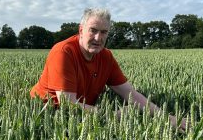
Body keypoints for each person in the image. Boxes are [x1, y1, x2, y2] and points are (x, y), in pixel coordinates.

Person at [30, 8, 187, 130]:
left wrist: (166, 117)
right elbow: (67, 104)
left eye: (104, 32)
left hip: (85, 110)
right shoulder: (64, 52)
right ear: (81, 30)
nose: (98, 38)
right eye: (93, 30)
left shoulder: (105, 56)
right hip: (46, 113)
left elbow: (130, 93)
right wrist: (110, 115)